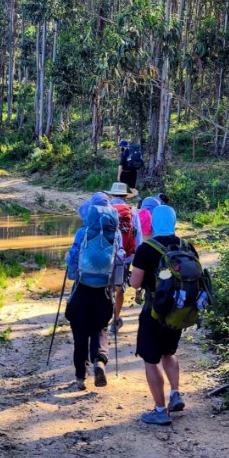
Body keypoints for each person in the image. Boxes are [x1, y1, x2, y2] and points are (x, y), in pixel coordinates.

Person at [130, 204, 195, 425]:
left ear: (154, 223)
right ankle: (175, 393)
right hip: (178, 312)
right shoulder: (186, 246)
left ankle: (160, 410)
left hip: (154, 313)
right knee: (169, 352)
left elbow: (135, 282)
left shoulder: (147, 249)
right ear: (174, 221)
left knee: (151, 359)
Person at [63, 193, 122, 390]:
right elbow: (119, 261)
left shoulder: (83, 231)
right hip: (103, 292)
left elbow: (72, 260)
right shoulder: (116, 232)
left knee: (79, 334)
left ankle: (80, 378)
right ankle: (100, 361)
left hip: (81, 289)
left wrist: (71, 270)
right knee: (100, 328)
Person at [104, 182, 139, 336]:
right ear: (125, 196)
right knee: (120, 286)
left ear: (111, 195)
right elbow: (138, 237)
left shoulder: (105, 209)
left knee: (105, 285)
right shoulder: (132, 212)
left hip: (106, 255)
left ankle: (103, 319)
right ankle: (115, 320)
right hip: (125, 255)